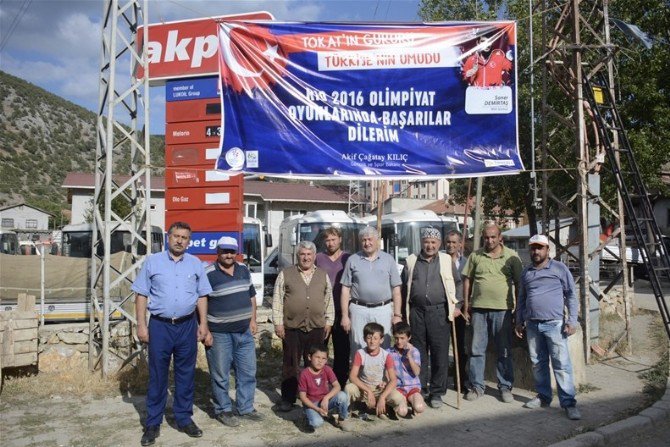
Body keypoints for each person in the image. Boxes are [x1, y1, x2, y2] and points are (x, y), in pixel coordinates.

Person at [132, 221, 212, 446]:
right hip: (160, 326)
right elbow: (141, 294)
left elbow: (202, 296)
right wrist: (141, 325)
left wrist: (203, 324)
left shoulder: (196, 264)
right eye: (176, 236)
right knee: (158, 375)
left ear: (189, 241)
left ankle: (184, 419)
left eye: (184, 237)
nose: (179, 240)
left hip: (187, 326)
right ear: (169, 238)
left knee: (186, 374)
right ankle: (152, 423)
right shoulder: (153, 262)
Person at [514, 234, 581, 420]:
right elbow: (521, 298)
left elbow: (571, 295)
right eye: (533, 248)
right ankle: (543, 397)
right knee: (538, 364)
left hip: (555, 325)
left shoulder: (559, 268)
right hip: (533, 325)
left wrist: (572, 320)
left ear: (547, 250)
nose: (536, 251)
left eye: (539, 248)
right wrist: (519, 321)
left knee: (561, 365)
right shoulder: (526, 272)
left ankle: (568, 403)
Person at [204, 236, 262, 428]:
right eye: (224, 251)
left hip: (244, 331)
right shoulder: (208, 273)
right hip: (219, 333)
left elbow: (251, 296)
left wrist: (253, 319)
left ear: (237, 252)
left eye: (231, 251)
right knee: (220, 374)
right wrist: (204, 329)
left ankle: (245, 407)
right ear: (217, 252)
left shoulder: (243, 269)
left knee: (248, 372)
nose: (228, 255)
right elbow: (201, 303)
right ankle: (223, 410)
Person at [462, 223, 522, 403]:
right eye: (486, 237)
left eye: (493, 237)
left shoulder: (512, 256)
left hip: (502, 311)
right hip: (479, 310)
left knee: (503, 350)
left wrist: (518, 310)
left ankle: (505, 387)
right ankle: (476, 386)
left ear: (500, 238)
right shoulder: (475, 256)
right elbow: (467, 280)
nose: (489, 240)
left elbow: (519, 284)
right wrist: (467, 304)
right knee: (476, 350)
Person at [401, 227, 460, 409]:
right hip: (417, 312)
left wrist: (458, 306)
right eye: (427, 242)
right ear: (422, 243)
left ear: (439, 244)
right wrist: (402, 313)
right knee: (418, 353)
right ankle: (419, 389)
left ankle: (436, 393)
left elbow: (457, 283)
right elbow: (404, 287)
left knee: (439, 353)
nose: (430, 245)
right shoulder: (411, 261)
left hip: (439, 313)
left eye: (433, 243)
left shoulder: (446, 260)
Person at [272, 240, 334, 412]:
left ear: (314, 256)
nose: (306, 258)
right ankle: (288, 398)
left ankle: (313, 397)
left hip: (316, 327)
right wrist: (278, 323)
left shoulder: (322, 275)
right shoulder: (286, 273)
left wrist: (329, 321)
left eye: (309, 254)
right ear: (297, 256)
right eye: (302, 254)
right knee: (290, 364)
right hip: (292, 327)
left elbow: (328, 299)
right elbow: (278, 299)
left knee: (314, 364)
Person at [340, 226, 402, 354]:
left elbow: (396, 289)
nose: (367, 243)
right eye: (363, 240)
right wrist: (345, 316)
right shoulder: (353, 260)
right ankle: (359, 373)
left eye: (370, 239)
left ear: (377, 240)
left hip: (382, 310)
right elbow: (345, 290)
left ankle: (381, 374)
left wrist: (397, 315)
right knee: (358, 347)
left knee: (383, 347)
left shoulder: (388, 259)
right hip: (359, 310)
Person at [315, 227, 351, 388]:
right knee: (319, 351)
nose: (330, 243)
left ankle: (339, 386)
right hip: (323, 312)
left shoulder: (348, 258)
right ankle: (317, 385)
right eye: (327, 240)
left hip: (343, 311)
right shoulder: (318, 258)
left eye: (333, 239)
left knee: (342, 352)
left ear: (340, 239)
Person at [345, 322, 405, 418]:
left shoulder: (386, 356)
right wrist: (368, 391)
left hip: (379, 389)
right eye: (369, 338)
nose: (372, 341)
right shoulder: (360, 353)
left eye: (375, 338)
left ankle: (384, 406)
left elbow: (393, 380)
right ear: (364, 339)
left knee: (397, 397)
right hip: (363, 389)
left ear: (381, 340)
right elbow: (352, 376)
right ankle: (347, 410)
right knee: (349, 388)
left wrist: (382, 396)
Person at [298, 344, 354, 433]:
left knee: (342, 395)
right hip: (312, 405)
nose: (320, 361)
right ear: (309, 357)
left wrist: (326, 398)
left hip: (325, 402)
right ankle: (307, 416)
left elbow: (337, 386)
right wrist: (317, 409)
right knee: (317, 423)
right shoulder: (304, 374)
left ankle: (342, 419)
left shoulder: (327, 369)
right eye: (317, 357)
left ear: (326, 360)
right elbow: (303, 397)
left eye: (323, 358)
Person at [445, 230, 468, 388]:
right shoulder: (440, 260)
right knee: (441, 346)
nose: (451, 245)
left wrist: (462, 307)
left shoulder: (466, 262)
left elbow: (467, 285)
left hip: (460, 310)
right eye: (449, 242)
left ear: (460, 244)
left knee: (460, 346)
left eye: (454, 242)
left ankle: (461, 381)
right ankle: (441, 380)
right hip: (443, 308)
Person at [388, 322, 426, 417]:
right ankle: (403, 402)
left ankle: (414, 401)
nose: (399, 341)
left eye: (402, 338)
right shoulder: (389, 352)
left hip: (412, 386)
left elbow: (417, 372)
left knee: (420, 407)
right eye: (396, 338)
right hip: (398, 387)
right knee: (402, 412)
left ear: (408, 338)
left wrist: (409, 356)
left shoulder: (414, 351)